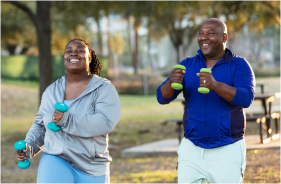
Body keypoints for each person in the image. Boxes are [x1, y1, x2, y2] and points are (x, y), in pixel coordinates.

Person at [157, 18, 255, 183]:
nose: (204, 38)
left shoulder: (239, 65)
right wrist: (169, 82)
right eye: (201, 33)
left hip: (227, 148)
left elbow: (246, 98)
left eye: (210, 34)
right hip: (192, 149)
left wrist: (215, 85)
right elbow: (162, 98)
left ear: (224, 38)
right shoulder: (187, 65)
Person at [15, 37, 121, 183]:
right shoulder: (51, 91)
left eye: (79, 50)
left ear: (89, 57)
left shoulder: (104, 88)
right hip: (56, 157)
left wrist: (66, 120)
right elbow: (40, 126)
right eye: (69, 51)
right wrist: (28, 147)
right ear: (64, 57)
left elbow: (105, 122)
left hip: (92, 166)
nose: (73, 53)